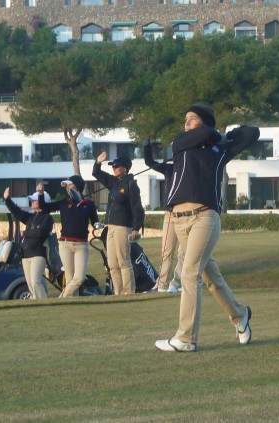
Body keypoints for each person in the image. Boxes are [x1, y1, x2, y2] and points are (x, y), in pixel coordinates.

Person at [155, 102, 259, 352]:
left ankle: (186, 338)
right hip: (179, 220)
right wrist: (213, 133)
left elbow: (252, 133)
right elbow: (198, 135)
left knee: (189, 273)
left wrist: (225, 135)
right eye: (186, 119)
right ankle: (240, 315)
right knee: (210, 278)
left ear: (205, 122)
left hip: (205, 218)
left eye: (192, 119)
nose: (186, 123)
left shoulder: (219, 151)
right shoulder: (181, 143)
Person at [37, 175, 99, 297]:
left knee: (79, 278)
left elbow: (95, 222)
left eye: (70, 186)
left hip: (81, 245)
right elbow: (44, 207)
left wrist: (99, 225)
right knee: (70, 278)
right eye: (67, 186)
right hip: (65, 244)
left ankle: (61, 298)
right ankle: (71, 303)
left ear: (77, 187)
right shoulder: (64, 203)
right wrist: (40, 194)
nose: (68, 188)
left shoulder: (89, 204)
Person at [92, 154, 145, 295]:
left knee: (124, 261)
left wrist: (136, 228)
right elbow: (96, 173)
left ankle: (128, 292)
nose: (114, 169)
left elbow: (137, 209)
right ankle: (118, 292)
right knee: (112, 264)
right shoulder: (113, 182)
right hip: (110, 227)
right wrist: (98, 162)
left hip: (123, 227)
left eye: (117, 166)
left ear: (125, 168)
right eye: (113, 166)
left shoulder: (131, 185)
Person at [143, 138, 182, 293]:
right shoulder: (169, 169)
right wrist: (147, 146)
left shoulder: (193, 166)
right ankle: (162, 285)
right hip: (171, 214)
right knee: (167, 252)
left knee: (184, 253)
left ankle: (177, 283)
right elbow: (149, 161)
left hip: (188, 214)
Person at [3, 187, 54, 299]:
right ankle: (37, 304)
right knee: (30, 284)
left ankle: (43, 303)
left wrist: (25, 232)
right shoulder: (31, 217)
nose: (32, 202)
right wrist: (7, 200)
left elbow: (40, 233)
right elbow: (17, 212)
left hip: (38, 255)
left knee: (36, 281)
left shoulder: (47, 218)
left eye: (35, 200)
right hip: (25, 256)